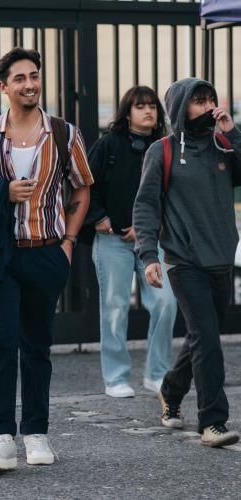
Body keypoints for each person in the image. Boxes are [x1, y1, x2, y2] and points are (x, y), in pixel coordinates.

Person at [0, 48, 93, 469]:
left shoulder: (65, 133)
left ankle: (36, 432)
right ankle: (1, 438)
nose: (29, 84)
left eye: (34, 75)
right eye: (20, 78)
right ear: (4, 86)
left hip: (46, 252)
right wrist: (2, 192)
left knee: (36, 345)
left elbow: (82, 188)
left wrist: (68, 241)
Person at [134, 77, 241, 447]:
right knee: (208, 339)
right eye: (199, 101)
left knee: (201, 335)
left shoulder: (223, 146)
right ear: (181, 108)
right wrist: (148, 255)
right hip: (184, 260)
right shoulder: (161, 152)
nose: (208, 106)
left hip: (221, 257)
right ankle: (212, 422)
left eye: (210, 99)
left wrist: (234, 134)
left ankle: (171, 390)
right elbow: (146, 205)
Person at [87, 86, 177, 398]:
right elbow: (85, 184)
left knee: (167, 302)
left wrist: (148, 227)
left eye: (153, 106)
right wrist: (100, 217)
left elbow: (174, 194)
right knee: (115, 306)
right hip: (112, 239)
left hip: (153, 240)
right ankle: (115, 377)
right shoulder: (108, 144)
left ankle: (158, 373)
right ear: (128, 111)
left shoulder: (166, 147)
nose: (149, 111)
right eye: (141, 106)